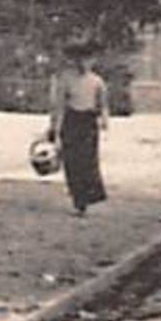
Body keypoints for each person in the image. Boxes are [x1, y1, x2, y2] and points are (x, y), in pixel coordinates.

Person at [47, 42, 108, 215]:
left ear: (93, 61)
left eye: (88, 60)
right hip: (72, 120)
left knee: (88, 162)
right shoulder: (66, 79)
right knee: (72, 161)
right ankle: (78, 199)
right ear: (75, 61)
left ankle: (87, 197)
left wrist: (104, 119)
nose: (83, 64)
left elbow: (102, 104)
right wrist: (54, 127)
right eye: (80, 60)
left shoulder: (97, 82)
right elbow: (58, 105)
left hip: (88, 123)